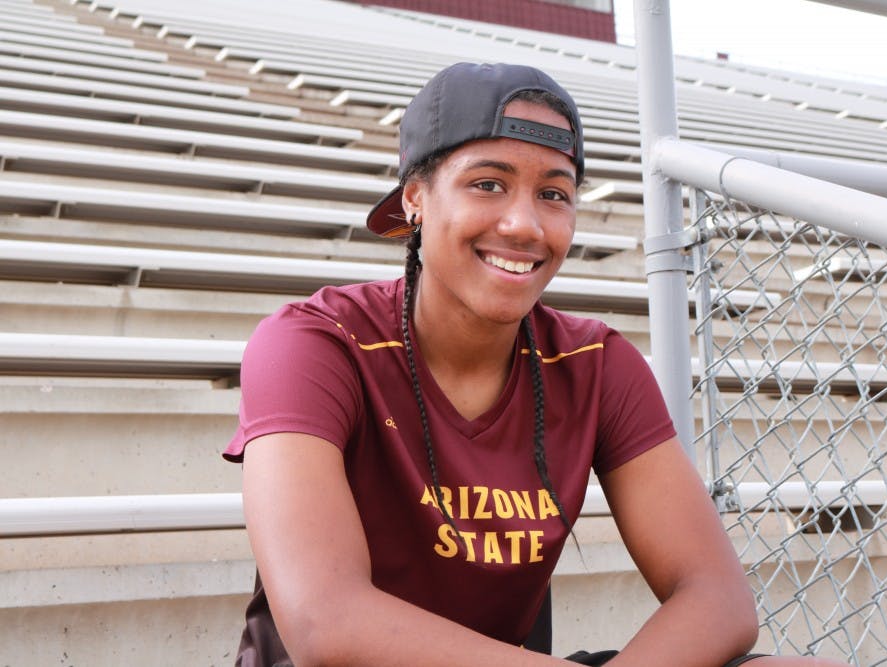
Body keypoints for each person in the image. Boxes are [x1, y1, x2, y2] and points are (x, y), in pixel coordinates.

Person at [224, 62, 850, 667]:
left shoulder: (595, 364)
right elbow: (325, 624)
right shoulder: (315, 343)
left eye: (553, 194)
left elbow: (717, 597)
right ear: (415, 198)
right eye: (487, 184)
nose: (524, 225)